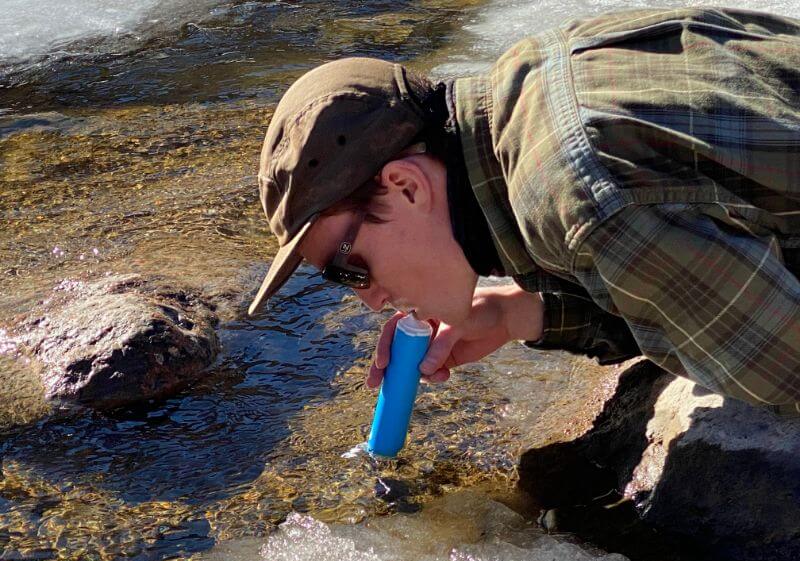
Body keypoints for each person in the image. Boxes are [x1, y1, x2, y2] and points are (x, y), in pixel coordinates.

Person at [247, 6, 800, 414]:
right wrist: (519, 313)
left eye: (350, 268)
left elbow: (787, 373)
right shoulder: (529, 84)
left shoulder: (584, 201)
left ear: (406, 186)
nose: (369, 300)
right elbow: (697, 296)